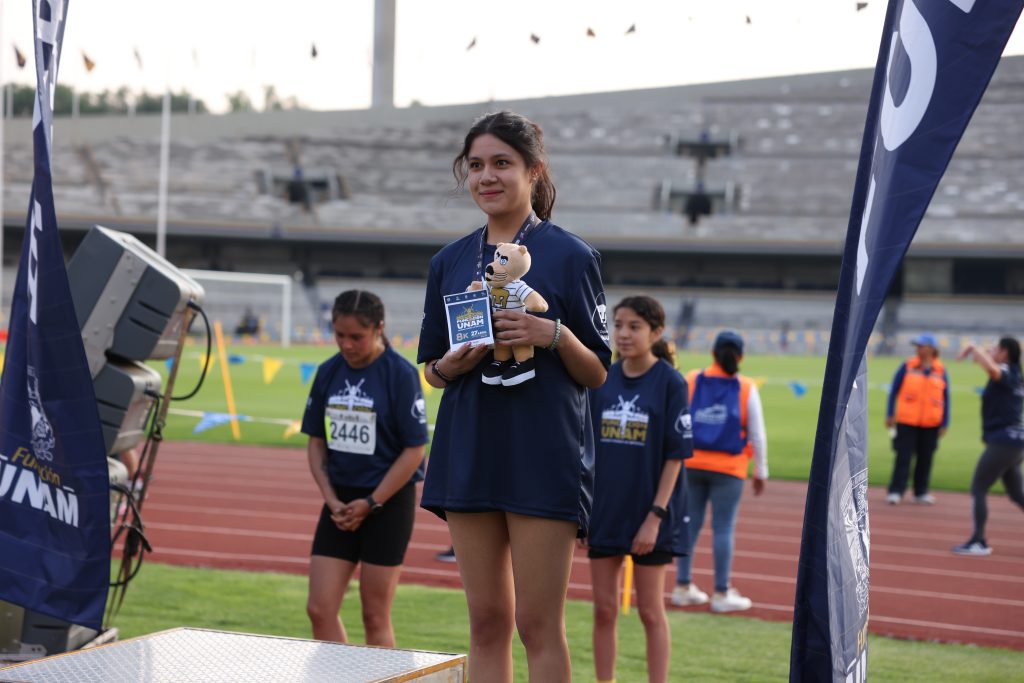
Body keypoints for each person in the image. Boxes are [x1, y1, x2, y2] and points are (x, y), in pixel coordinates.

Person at [418, 110, 610, 681]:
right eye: (475, 165)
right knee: (485, 621)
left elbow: (598, 370)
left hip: (543, 453)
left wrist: (551, 334)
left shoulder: (571, 255)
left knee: (537, 624)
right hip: (470, 448)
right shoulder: (448, 260)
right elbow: (430, 368)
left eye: (502, 163)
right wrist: (449, 365)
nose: (486, 177)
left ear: (533, 170)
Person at [301, 289, 429, 645]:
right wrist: (331, 500)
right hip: (339, 503)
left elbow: (415, 448)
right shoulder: (328, 372)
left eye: (356, 336)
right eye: (339, 335)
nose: (346, 345)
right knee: (319, 609)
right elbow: (315, 442)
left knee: (374, 615)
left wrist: (372, 502)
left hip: (387, 503)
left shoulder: (399, 375)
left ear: (379, 329)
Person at [586, 295, 692, 683]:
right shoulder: (601, 378)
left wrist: (654, 518)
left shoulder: (671, 383)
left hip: (651, 515)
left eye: (634, 327)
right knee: (603, 609)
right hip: (606, 511)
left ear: (656, 332)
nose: (623, 334)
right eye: (618, 325)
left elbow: (675, 456)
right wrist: (585, 515)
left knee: (650, 611)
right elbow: (587, 451)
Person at [671, 330, 768, 613]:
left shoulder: (691, 379)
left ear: (712, 353)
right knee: (723, 527)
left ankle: (682, 586)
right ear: (741, 357)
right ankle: (722, 592)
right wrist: (761, 472)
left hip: (691, 463)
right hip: (730, 467)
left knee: (689, 524)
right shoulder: (746, 388)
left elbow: (677, 418)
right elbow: (757, 434)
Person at [952, 336, 1024, 556]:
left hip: (1004, 442)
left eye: (994, 348)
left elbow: (992, 370)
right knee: (1016, 494)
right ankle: (978, 540)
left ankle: (978, 541)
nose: (991, 351)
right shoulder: (1016, 374)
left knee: (978, 488)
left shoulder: (1006, 372)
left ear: (1004, 353)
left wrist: (974, 347)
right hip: (1014, 443)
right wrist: (980, 354)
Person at [885, 333, 950, 505]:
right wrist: (890, 413)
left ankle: (920, 492)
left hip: (931, 423)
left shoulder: (941, 370)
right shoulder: (907, 366)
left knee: (926, 458)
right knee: (903, 457)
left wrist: (945, 422)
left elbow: (946, 398)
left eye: (921, 345)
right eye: (918, 346)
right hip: (907, 421)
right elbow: (894, 391)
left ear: (931, 348)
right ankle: (896, 490)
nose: (918, 349)